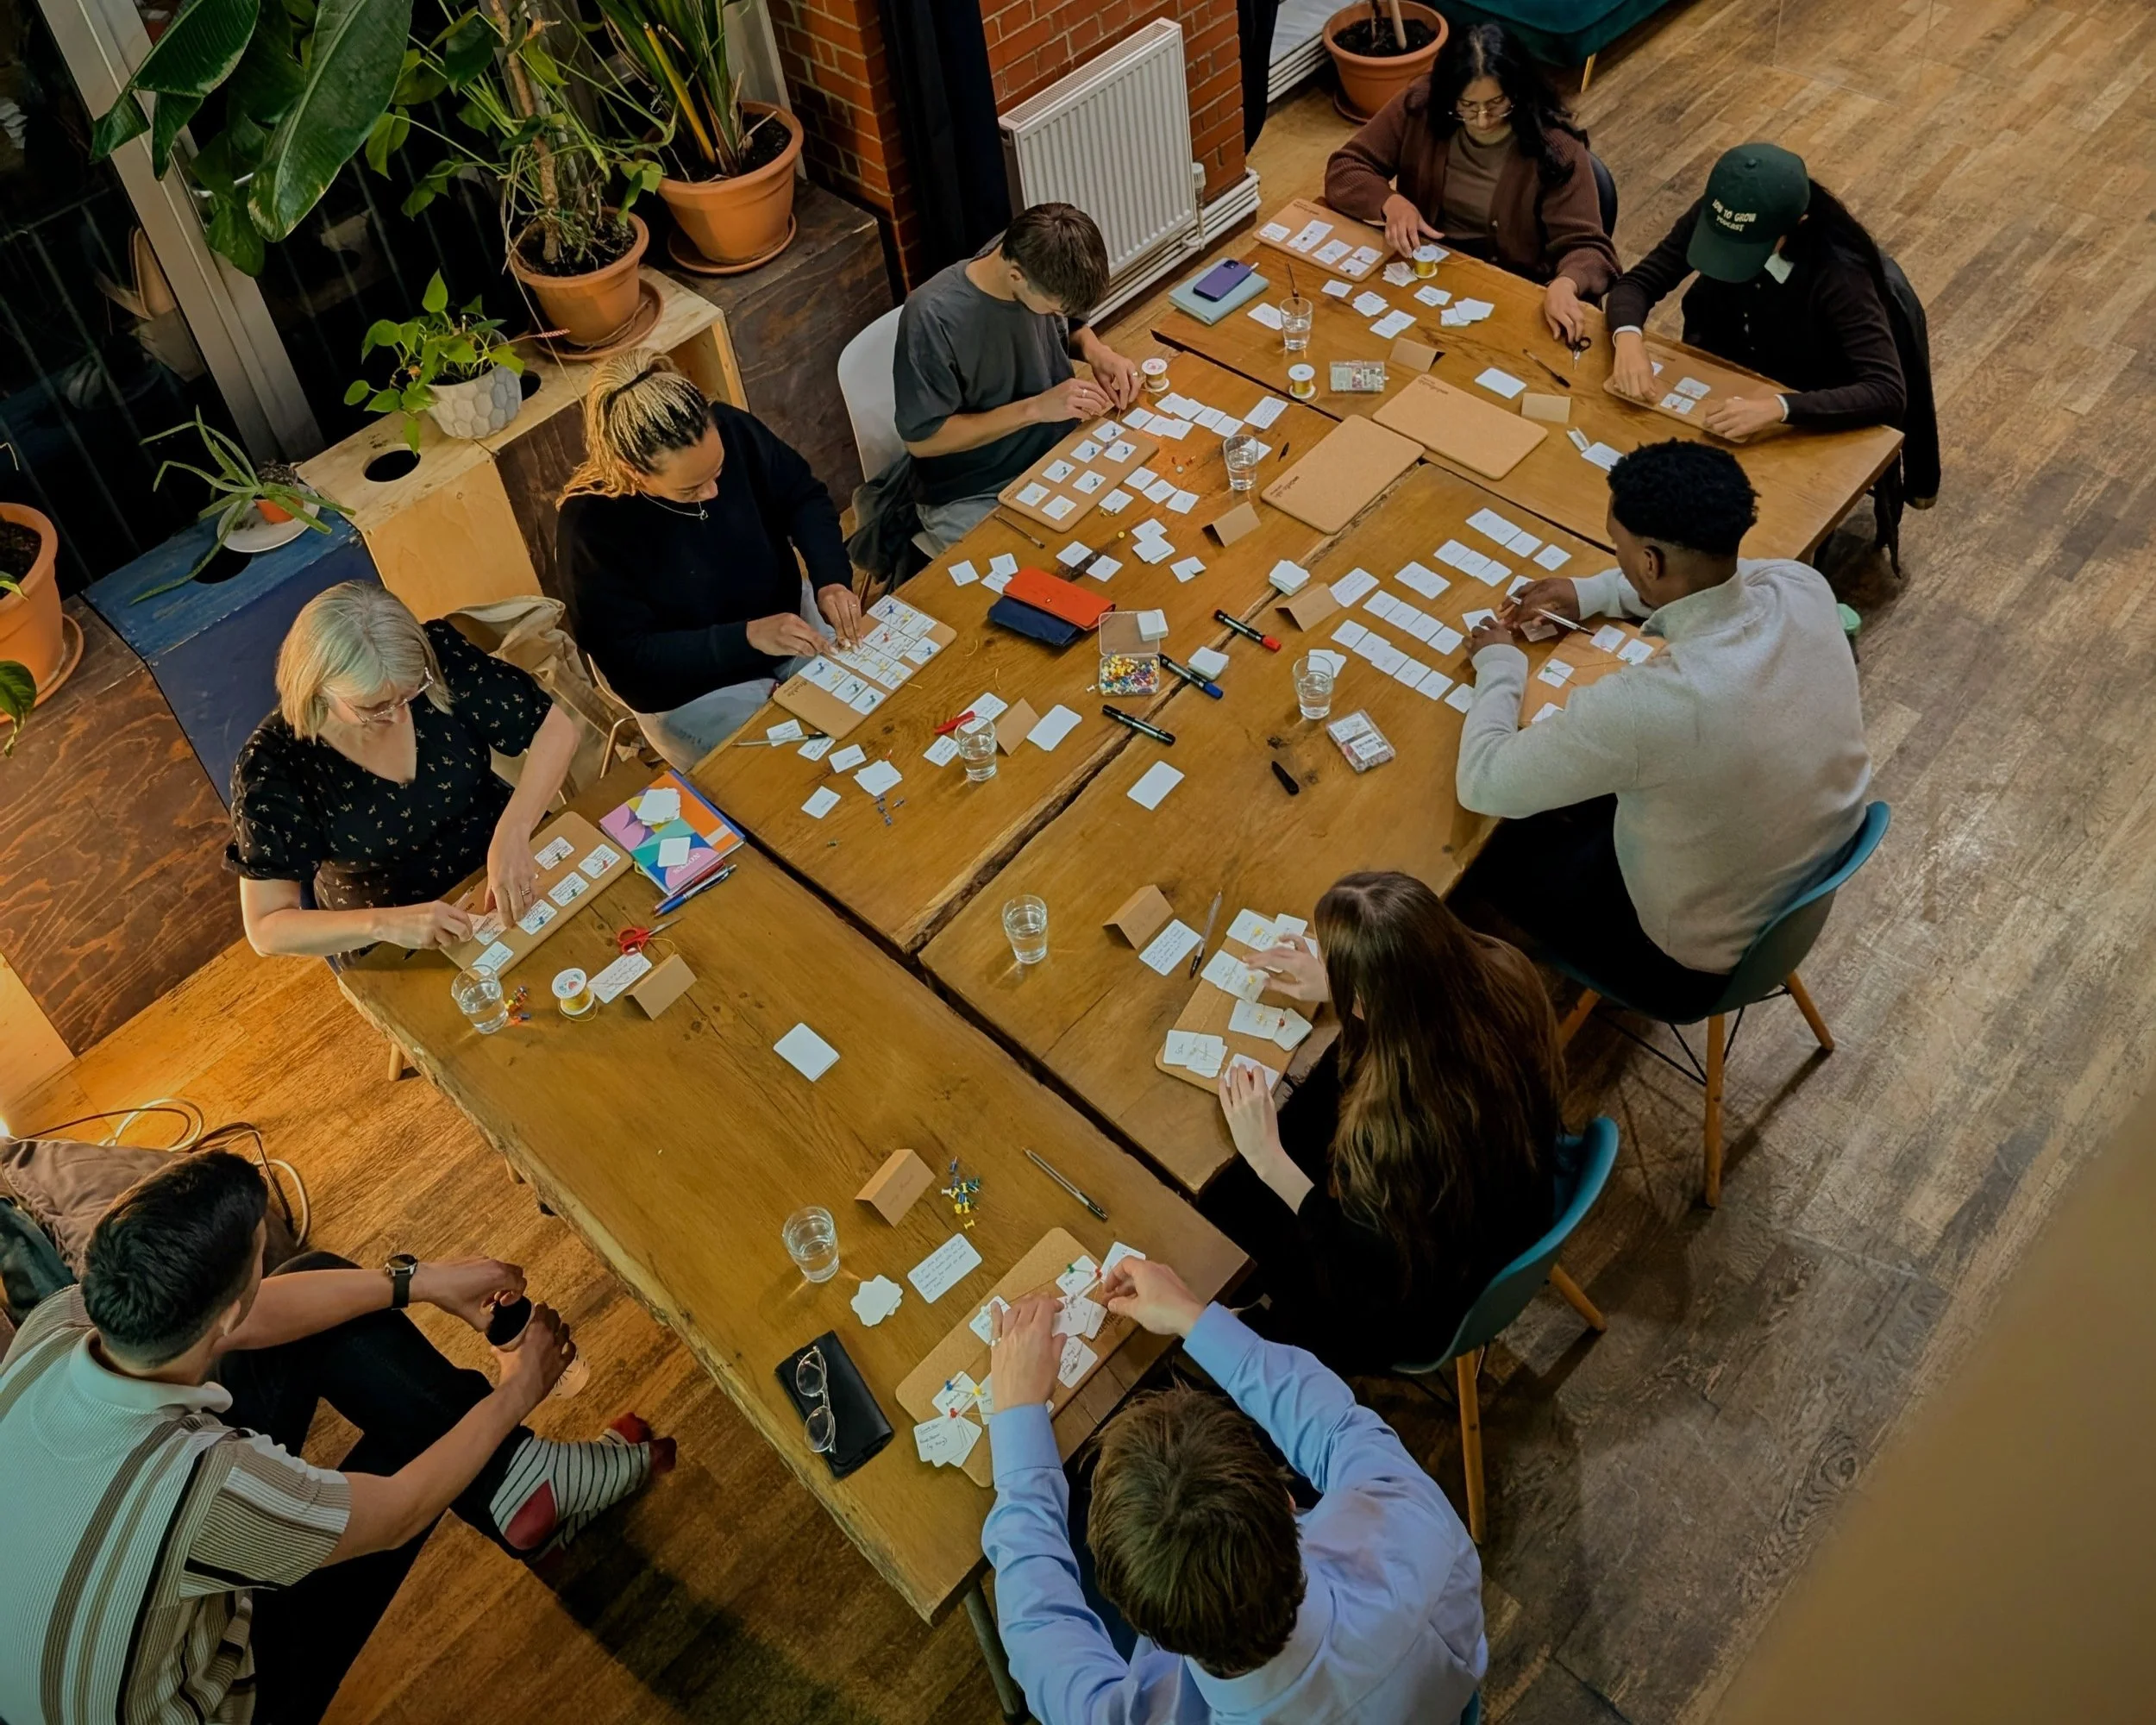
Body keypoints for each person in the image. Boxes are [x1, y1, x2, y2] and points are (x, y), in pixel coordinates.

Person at [0, 1151, 671, 1725]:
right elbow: (398, 1513)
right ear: (228, 1310)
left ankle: (524, 1482)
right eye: (255, 1270)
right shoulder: (203, 1488)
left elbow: (263, 1312)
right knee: (423, 1442)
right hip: (227, 1703)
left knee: (319, 1283)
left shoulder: (58, 1324)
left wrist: (420, 1282)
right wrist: (519, 1390)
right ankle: (524, 1481)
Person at [1457, 441, 1872, 1019]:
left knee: (1485, 863)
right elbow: (1712, 585)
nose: (1619, 561)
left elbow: (1482, 781)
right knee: (1596, 788)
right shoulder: (1799, 587)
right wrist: (1593, 591)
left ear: (1650, 561)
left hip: (1683, 968)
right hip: (1799, 883)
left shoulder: (1658, 704)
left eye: (1619, 551)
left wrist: (1500, 663)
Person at [981, 1256, 1486, 1723]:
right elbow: (1334, 1425)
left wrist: (1018, 1421)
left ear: (1146, 1631)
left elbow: (1038, 1632)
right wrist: (1192, 1317)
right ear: (1287, 1499)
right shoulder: (1424, 1536)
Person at [1208, 872, 1561, 1374]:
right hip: (1509, 1207)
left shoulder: (1393, 1131)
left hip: (1409, 1306)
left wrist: (1268, 1160)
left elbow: (1356, 1276)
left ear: (1368, 1003)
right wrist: (1348, 982)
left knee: (1231, 1199)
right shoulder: (1507, 976)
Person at [230, 582, 580, 958]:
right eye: (374, 707)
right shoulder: (274, 763)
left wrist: (515, 829)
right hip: (393, 931)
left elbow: (555, 729)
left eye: (411, 693)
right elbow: (267, 928)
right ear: (318, 691)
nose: (399, 716)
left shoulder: (437, 659)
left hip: (508, 861)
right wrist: (387, 924)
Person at [558, 350, 860, 770]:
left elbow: (801, 496)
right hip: (691, 688)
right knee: (795, 776)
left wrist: (831, 578)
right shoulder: (591, 525)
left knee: (865, 722)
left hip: (788, 623)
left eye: (718, 472)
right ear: (633, 472)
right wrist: (746, 637)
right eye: (691, 490)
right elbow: (629, 660)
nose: (714, 494)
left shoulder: (732, 430)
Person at [1323, 21, 1617, 344]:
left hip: (1513, 289)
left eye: (1496, 104)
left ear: (1518, 91)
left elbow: (1589, 248)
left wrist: (1566, 283)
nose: (1482, 120)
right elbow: (1346, 167)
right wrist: (1388, 202)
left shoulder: (1557, 150)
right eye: (1466, 106)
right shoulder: (1419, 106)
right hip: (1425, 272)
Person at [1602, 141, 1906, 442]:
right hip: (1722, 372)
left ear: (1797, 226)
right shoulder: (1718, 214)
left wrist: (1779, 407)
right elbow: (1638, 283)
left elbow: (1885, 389)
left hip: (1805, 403)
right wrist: (1628, 338)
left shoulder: (1840, 272)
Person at [894, 203, 1144, 552]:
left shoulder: (1032, 251)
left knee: (1132, 528)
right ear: (1015, 276)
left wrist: (1095, 350)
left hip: (1053, 453)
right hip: (974, 491)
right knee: (1041, 589)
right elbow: (923, 441)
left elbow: (1069, 326)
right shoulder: (932, 317)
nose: (1058, 316)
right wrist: (1036, 409)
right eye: (1055, 308)